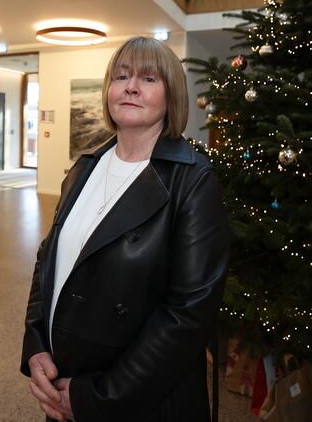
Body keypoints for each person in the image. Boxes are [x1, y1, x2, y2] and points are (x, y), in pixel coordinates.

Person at [20, 36, 230, 421]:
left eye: (148, 79)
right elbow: (46, 261)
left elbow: (188, 314)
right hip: (63, 382)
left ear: (172, 97)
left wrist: (98, 396)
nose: (131, 86)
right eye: (121, 76)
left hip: (140, 399)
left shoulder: (194, 180)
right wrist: (35, 345)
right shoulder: (83, 168)